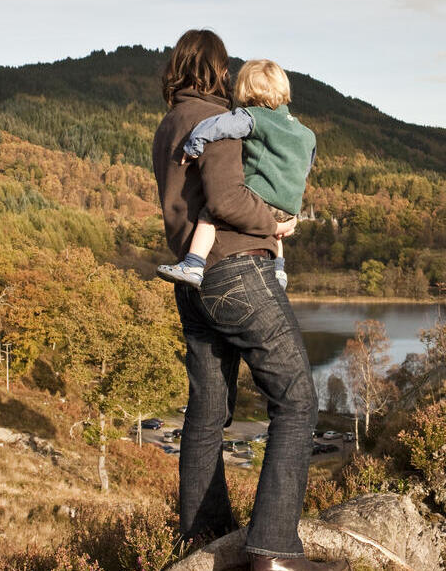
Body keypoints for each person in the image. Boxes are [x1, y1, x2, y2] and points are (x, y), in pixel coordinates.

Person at [153, 30, 344, 571]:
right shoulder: (218, 120)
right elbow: (228, 198)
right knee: (298, 399)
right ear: (217, 69)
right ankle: (274, 551)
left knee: (208, 414)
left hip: (196, 283)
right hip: (238, 270)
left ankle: (203, 542)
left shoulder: (169, 123)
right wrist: (279, 223)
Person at [156, 58, 316, 291]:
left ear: (245, 88)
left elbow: (217, 127)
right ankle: (279, 270)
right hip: (290, 207)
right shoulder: (306, 133)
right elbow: (305, 166)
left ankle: (193, 265)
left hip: (260, 199)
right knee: (277, 231)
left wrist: (194, 145)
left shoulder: (251, 117)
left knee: (209, 215)